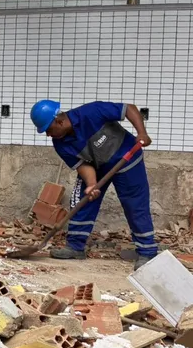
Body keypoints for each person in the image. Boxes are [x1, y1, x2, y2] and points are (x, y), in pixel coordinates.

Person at [29, 99, 156, 269]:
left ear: (59, 121)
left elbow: (129, 109)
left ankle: (147, 251)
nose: (48, 135)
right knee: (82, 201)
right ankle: (75, 247)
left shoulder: (92, 112)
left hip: (127, 160)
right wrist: (91, 185)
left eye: (49, 129)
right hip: (97, 166)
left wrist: (142, 133)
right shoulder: (60, 143)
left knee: (135, 205)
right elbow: (82, 165)